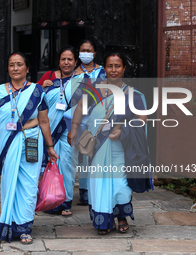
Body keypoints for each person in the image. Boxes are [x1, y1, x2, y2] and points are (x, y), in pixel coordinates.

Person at [0, 52, 58, 244]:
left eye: (19, 64)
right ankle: (8, 224)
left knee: (29, 185)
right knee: (9, 183)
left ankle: (24, 228)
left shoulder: (37, 91)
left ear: (27, 69)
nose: (15, 68)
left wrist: (50, 146)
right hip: (7, 143)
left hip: (31, 141)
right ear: (8, 68)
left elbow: (44, 121)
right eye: (12, 65)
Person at [70, 52, 150, 235]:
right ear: (104, 68)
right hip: (98, 146)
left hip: (122, 148)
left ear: (124, 69)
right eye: (110, 66)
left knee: (121, 185)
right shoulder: (93, 89)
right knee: (100, 183)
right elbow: (80, 108)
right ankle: (104, 220)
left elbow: (142, 119)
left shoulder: (133, 94)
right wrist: (74, 128)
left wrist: (123, 130)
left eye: (117, 66)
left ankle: (121, 216)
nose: (113, 70)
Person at [36, 45, 78, 216]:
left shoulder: (81, 80)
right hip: (48, 131)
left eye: (70, 59)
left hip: (68, 131)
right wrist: (41, 87)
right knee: (48, 166)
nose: (66, 62)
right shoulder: (49, 77)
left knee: (66, 166)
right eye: (63, 59)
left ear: (76, 62)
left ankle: (65, 201)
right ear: (59, 61)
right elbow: (35, 98)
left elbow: (85, 107)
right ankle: (49, 198)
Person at [71, 39, 106, 206]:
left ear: (94, 53)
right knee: (71, 156)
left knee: (89, 155)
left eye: (88, 50)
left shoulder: (102, 72)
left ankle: (87, 192)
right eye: (82, 50)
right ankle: (65, 194)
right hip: (73, 118)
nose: (85, 53)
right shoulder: (72, 72)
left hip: (93, 119)